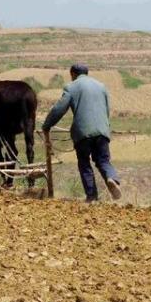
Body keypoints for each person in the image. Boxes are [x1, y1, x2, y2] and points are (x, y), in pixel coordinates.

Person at [42, 64, 121, 202]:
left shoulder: (71, 87)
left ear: (73, 73)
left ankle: (92, 197)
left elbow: (59, 109)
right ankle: (111, 178)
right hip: (102, 130)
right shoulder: (101, 86)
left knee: (84, 163)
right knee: (103, 160)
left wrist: (47, 125)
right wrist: (104, 126)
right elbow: (107, 109)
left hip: (83, 133)